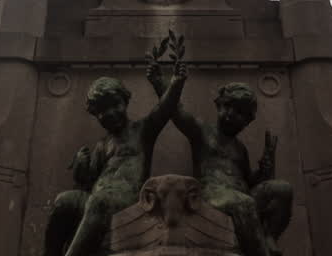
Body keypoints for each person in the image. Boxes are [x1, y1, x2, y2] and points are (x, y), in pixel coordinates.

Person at [44, 41, 188, 256]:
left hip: (127, 201)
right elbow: (88, 181)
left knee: (99, 201)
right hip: (96, 200)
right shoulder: (102, 145)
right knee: (64, 201)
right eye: (101, 111)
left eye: (114, 105)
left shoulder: (142, 131)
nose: (109, 114)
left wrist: (174, 83)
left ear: (125, 102)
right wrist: (80, 168)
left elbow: (164, 109)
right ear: (95, 114)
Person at [148, 65, 293, 256]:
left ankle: (269, 236)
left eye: (240, 113)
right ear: (218, 105)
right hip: (213, 196)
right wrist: (161, 83)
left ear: (247, 121)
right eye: (227, 107)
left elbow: (248, 180)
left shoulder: (240, 148)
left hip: (241, 197)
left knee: (283, 189)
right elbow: (176, 111)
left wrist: (265, 169)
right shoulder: (203, 132)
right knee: (245, 203)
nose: (231, 115)